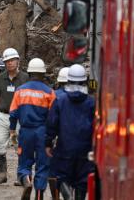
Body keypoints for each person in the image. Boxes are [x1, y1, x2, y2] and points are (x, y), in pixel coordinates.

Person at [45, 64, 95, 200]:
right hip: (86, 150)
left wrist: (48, 143)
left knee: (60, 175)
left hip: (64, 148)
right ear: (85, 81)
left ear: (68, 81)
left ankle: (67, 197)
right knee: (82, 181)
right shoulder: (91, 103)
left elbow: (51, 124)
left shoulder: (60, 101)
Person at [9, 58, 56, 200]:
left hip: (26, 131)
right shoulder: (49, 92)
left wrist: (12, 130)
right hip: (43, 132)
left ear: (29, 73)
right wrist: (52, 136)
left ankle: (27, 181)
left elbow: (13, 113)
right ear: (42, 74)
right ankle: (39, 195)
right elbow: (53, 117)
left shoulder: (20, 91)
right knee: (43, 166)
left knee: (24, 163)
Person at [0, 47, 29, 184]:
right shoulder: (0, 79)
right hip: (3, 116)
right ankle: (2, 174)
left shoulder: (25, 78)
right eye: (7, 61)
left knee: (19, 147)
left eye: (12, 60)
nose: (10, 63)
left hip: (20, 118)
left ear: (18, 61)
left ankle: (21, 176)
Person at [48, 66, 70, 200]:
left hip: (57, 138)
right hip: (75, 139)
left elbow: (50, 119)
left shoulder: (54, 95)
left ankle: (56, 197)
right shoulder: (82, 96)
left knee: (53, 171)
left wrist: (47, 140)